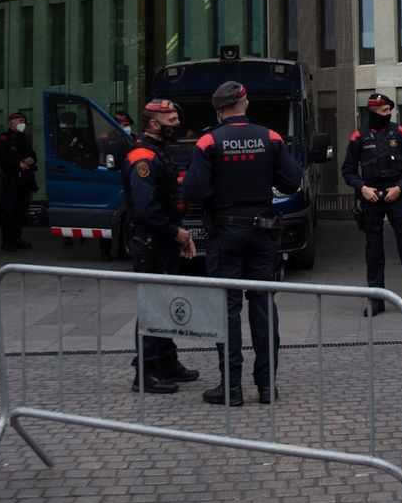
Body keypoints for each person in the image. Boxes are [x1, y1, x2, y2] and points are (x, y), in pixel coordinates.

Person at [181, 80, 302, 407]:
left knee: (227, 308)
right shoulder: (271, 137)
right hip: (263, 232)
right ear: (245, 103)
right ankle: (266, 387)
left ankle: (231, 388)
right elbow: (292, 182)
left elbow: (192, 192)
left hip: (225, 233)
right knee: (262, 305)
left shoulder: (208, 140)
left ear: (218, 109)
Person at [126, 99, 200, 394]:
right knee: (152, 307)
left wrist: (176, 235)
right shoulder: (142, 156)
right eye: (171, 122)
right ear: (153, 124)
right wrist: (175, 233)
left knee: (165, 304)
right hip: (151, 241)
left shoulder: (159, 152)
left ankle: (167, 361)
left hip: (163, 241)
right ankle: (146, 372)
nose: (177, 126)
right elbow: (146, 208)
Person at [342, 92, 402, 318]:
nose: (388, 113)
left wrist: (400, 188)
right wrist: (362, 188)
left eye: (389, 110)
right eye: (383, 110)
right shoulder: (358, 137)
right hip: (371, 198)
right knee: (373, 252)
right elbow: (348, 171)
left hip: (396, 197)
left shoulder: (400, 133)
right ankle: (376, 301)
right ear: (372, 111)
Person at [0, 112, 37, 252]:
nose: (22, 123)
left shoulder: (24, 138)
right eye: (19, 120)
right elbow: (0, 158)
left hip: (24, 179)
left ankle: (17, 238)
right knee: (9, 211)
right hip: (11, 179)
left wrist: (31, 159)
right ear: (11, 122)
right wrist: (17, 164)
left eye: (24, 120)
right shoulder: (4, 138)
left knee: (21, 210)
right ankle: (7, 241)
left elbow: (31, 153)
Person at [101, 110, 136, 262]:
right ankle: (105, 251)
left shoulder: (133, 138)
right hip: (111, 180)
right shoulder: (107, 139)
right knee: (109, 218)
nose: (126, 127)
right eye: (123, 124)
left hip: (128, 181)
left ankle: (124, 250)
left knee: (127, 220)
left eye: (127, 124)